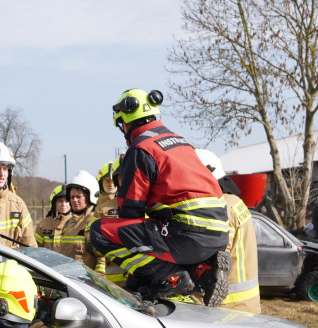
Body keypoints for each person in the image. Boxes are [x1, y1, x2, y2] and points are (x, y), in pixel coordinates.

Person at [86, 88, 231, 305]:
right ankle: (204, 269)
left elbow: (130, 212)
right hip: (218, 234)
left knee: (100, 231)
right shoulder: (181, 142)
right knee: (148, 233)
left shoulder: (141, 148)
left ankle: (171, 277)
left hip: (186, 234)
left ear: (125, 121)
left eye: (121, 125)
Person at [196, 149, 261, 313]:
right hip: (245, 305)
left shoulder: (219, 208)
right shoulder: (234, 201)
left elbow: (216, 258)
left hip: (227, 308)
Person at [59, 170, 108, 276]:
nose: (74, 200)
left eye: (78, 197)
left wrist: (98, 280)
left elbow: (101, 257)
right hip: (68, 279)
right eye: (72, 197)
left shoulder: (95, 221)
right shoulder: (68, 223)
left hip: (86, 282)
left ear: (89, 197)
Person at [34, 184, 71, 252]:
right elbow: (35, 249)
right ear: (54, 203)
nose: (63, 204)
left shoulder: (77, 223)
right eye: (60, 201)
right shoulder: (42, 225)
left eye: (67, 201)